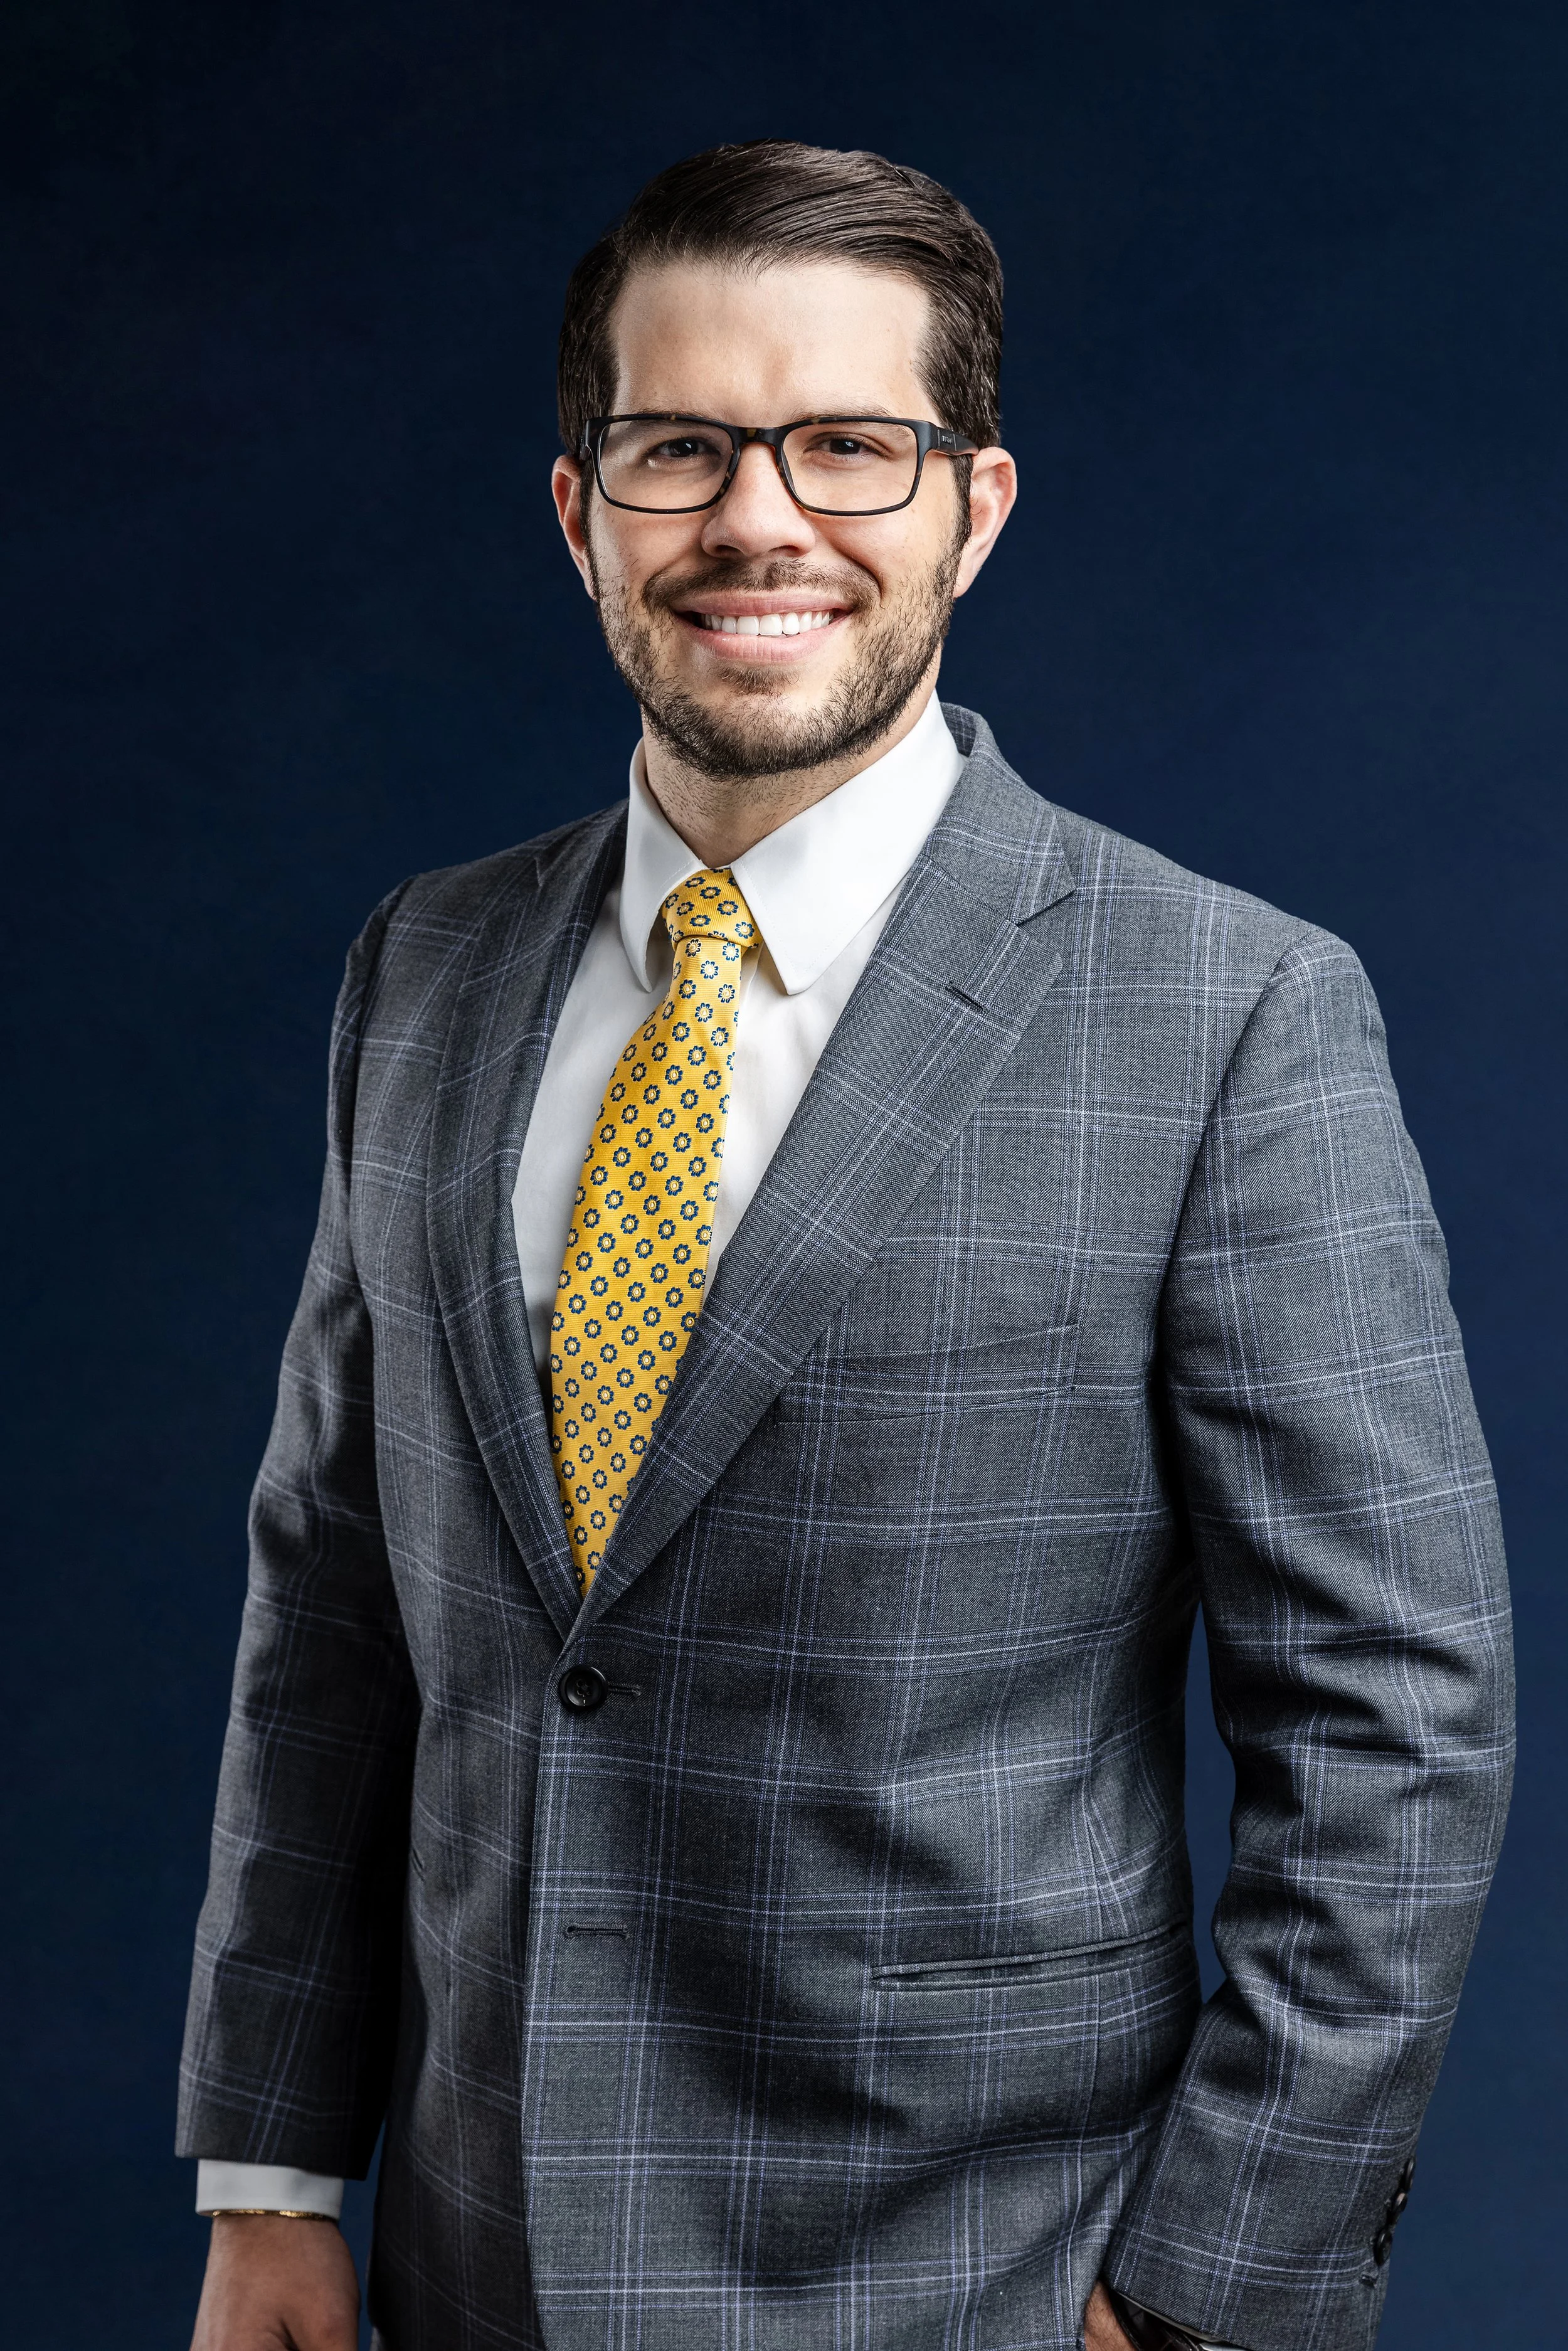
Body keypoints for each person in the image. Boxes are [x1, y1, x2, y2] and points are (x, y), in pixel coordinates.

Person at [180, 142, 1512, 2351]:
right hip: (464, 2266)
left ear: (972, 508)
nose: (758, 519)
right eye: (679, 448)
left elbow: (1396, 1721)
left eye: (847, 447)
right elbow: (331, 1608)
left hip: (984, 2283)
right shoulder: (421, 970)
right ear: (580, 511)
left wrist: (1200, 2296)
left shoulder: (1225, 1012)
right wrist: (268, 2177)